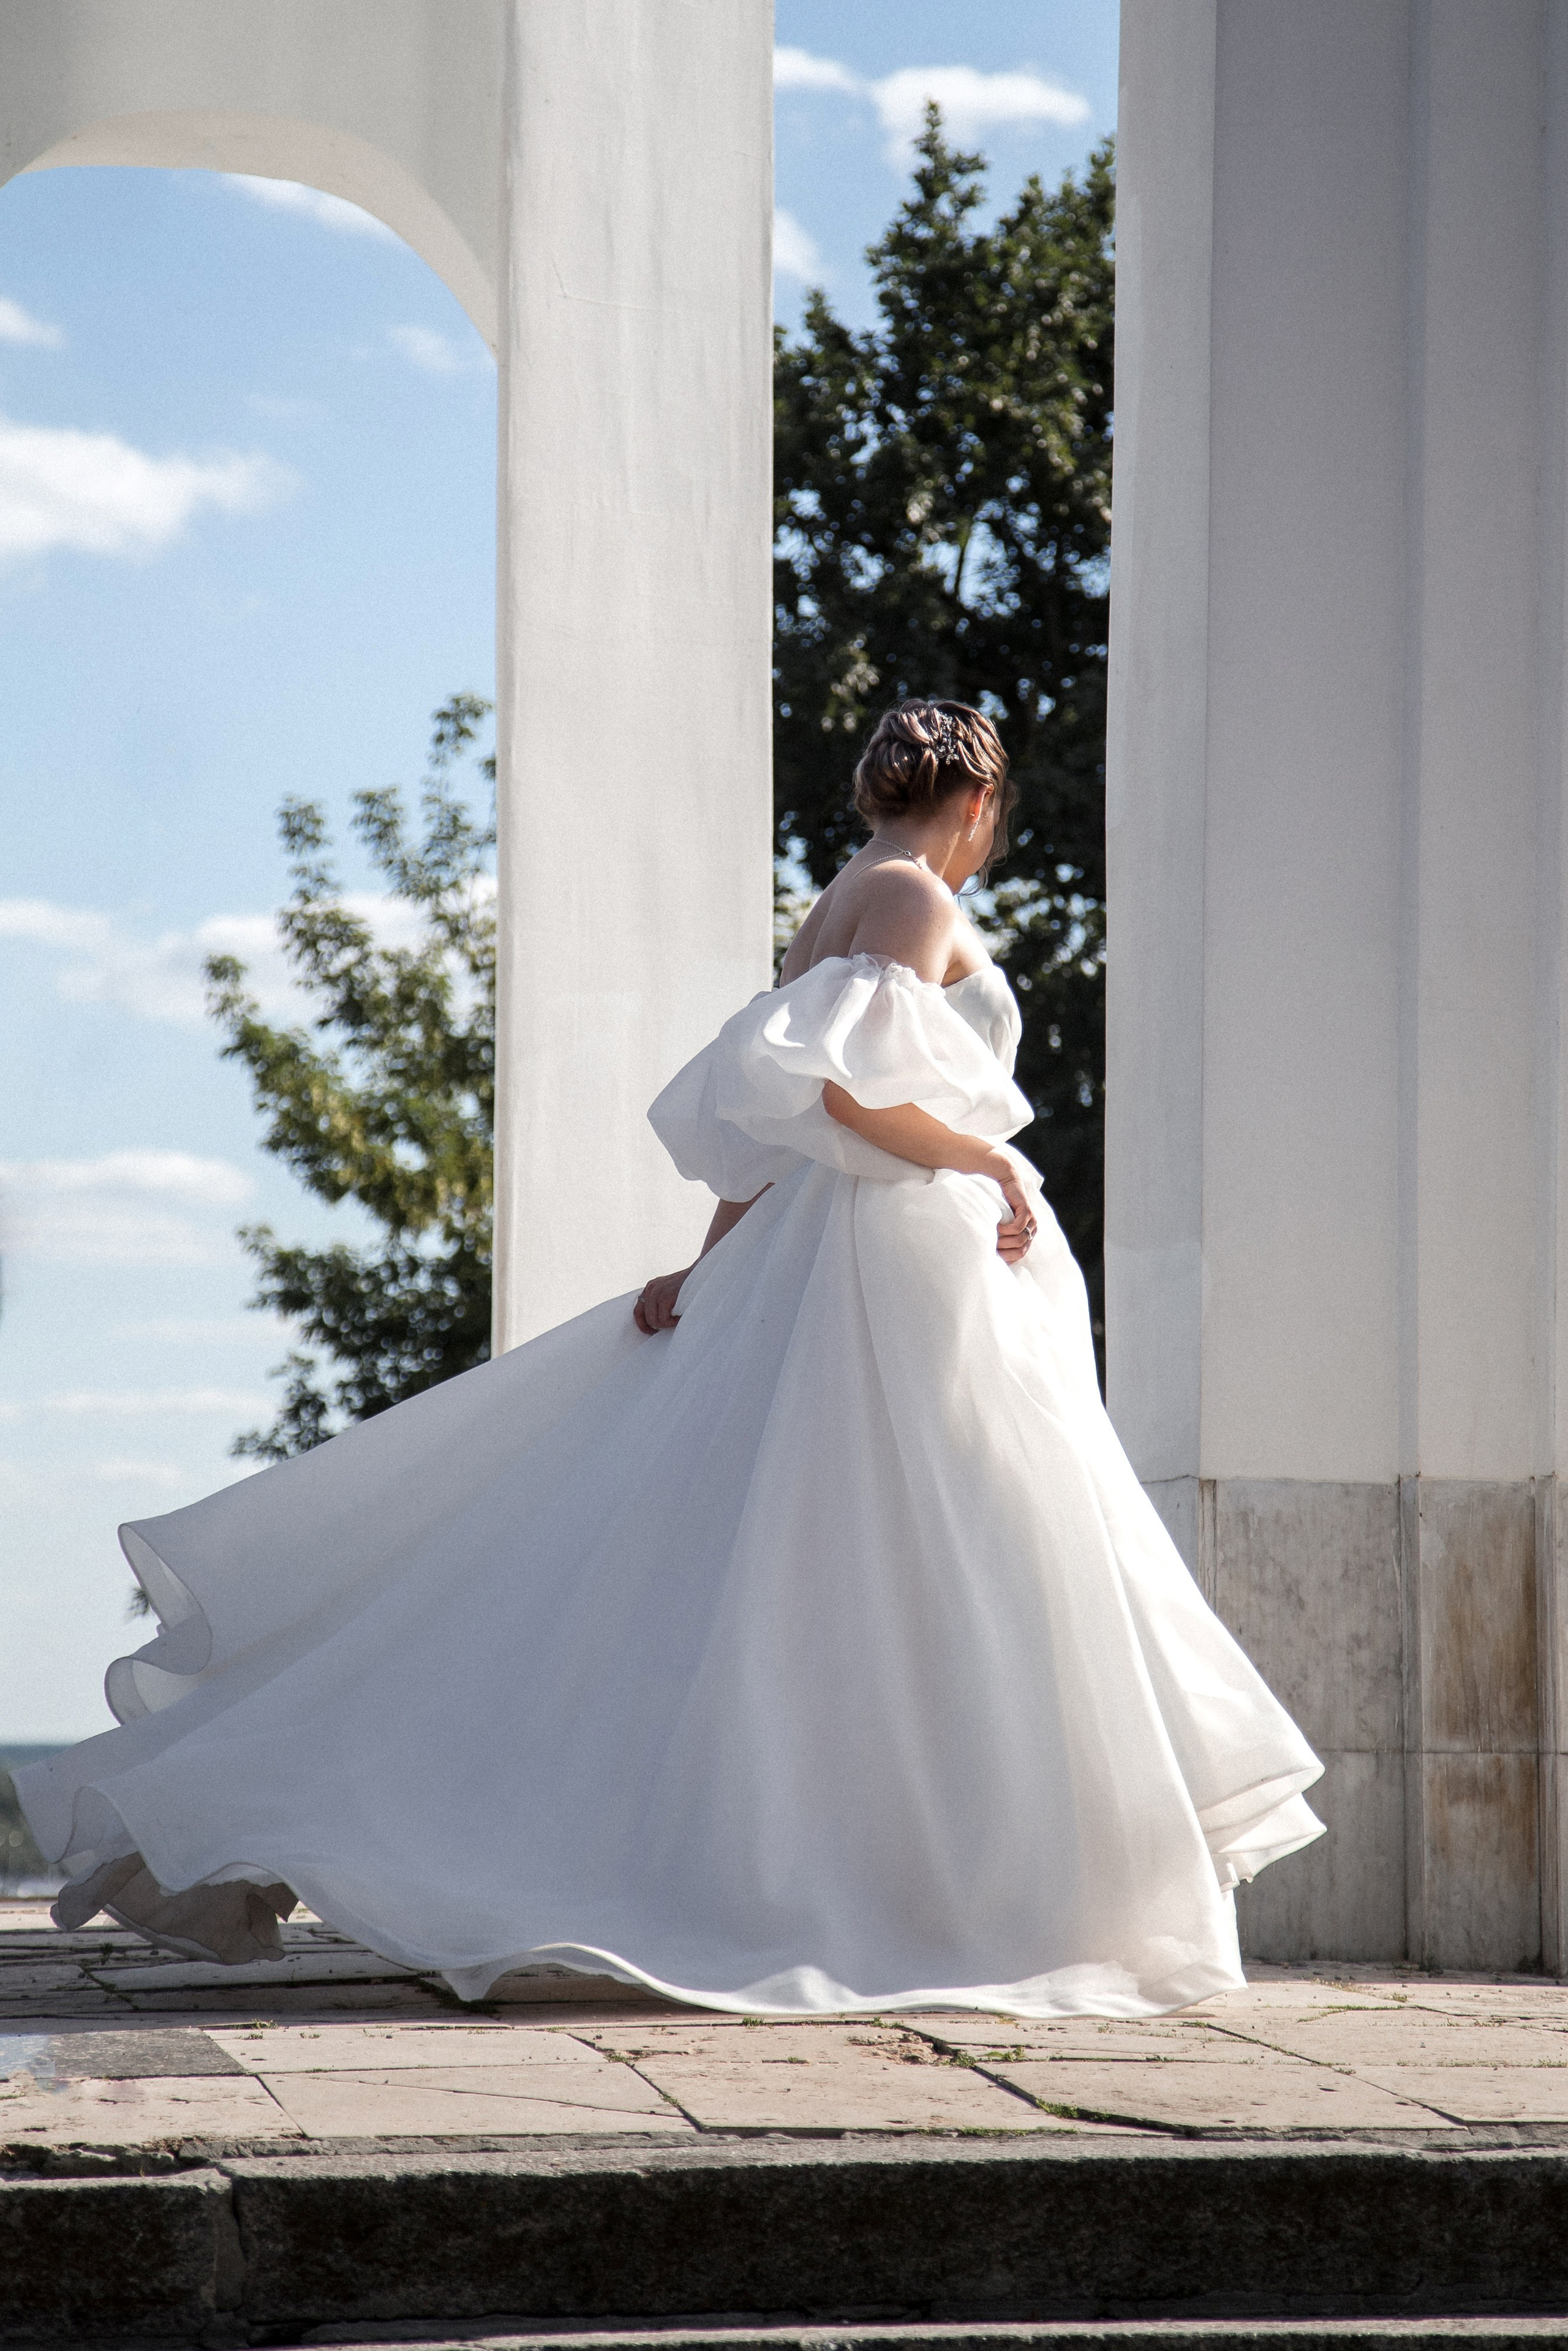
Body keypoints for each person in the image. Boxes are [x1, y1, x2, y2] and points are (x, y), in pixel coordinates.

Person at [17, 700, 1322, 2018]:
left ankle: (897, 1865)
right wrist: (985, 1154)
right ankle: (943, 1880)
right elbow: (844, 1103)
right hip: (892, 1270)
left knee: (851, 1560)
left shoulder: (835, 898)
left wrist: (704, 1269)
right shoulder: (914, 900)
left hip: (839, 1251)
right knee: (952, 1551)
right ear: (978, 807)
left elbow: (769, 1123)